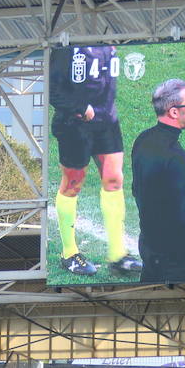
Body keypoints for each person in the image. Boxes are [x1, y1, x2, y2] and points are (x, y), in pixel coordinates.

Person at [49, 45, 142, 277]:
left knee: (114, 180)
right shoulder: (65, 49)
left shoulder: (109, 44)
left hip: (107, 121)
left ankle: (117, 254)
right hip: (74, 123)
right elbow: (52, 90)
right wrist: (80, 108)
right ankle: (69, 254)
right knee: (73, 184)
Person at [131, 78, 185, 283]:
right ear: (173, 111)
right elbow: (184, 213)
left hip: (149, 246)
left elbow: (137, 190)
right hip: (176, 259)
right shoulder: (177, 157)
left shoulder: (142, 140)